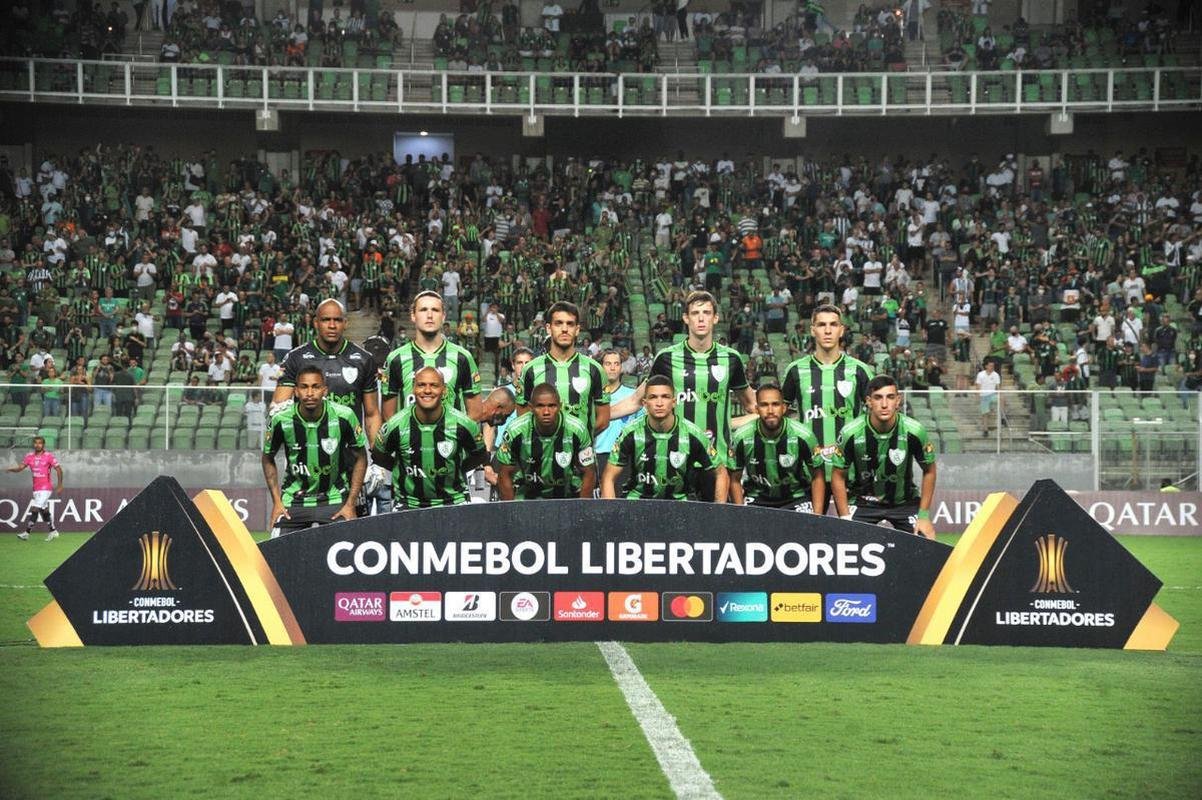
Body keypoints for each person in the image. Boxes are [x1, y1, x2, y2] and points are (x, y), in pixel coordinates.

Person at [608, 290, 754, 500]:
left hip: (716, 462)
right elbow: (636, 401)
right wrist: (595, 419)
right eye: (695, 313)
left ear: (715, 318)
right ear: (686, 318)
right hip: (675, 459)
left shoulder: (731, 359)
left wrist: (781, 410)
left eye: (706, 312)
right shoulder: (667, 358)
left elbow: (752, 405)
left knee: (713, 529)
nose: (701, 318)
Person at [779, 304, 875, 513]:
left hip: (851, 470)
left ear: (842, 330)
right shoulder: (796, 370)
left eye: (833, 325)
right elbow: (777, 415)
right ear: (812, 330)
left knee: (852, 536)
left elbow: (875, 416)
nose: (828, 330)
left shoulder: (859, 370)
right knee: (810, 537)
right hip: (810, 470)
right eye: (822, 325)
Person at [261, 365, 367, 538]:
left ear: (324, 390)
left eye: (315, 387)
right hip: (293, 501)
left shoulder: (344, 416)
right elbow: (267, 458)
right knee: (275, 554)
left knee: (349, 550)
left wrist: (350, 503)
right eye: (304, 387)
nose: (309, 393)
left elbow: (361, 458)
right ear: (296, 391)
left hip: (334, 498)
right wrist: (277, 502)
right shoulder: (280, 419)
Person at [831, 375, 937, 538]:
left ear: (898, 401)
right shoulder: (850, 433)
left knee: (926, 540)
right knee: (846, 542)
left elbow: (929, 470)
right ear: (868, 401)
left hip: (904, 503)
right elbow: (837, 476)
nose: (885, 404)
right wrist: (845, 517)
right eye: (878, 398)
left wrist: (923, 516)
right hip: (862, 503)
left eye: (890, 397)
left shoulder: (915, 431)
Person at [372, 366, 487, 509]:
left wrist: (455, 469)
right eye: (421, 385)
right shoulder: (395, 425)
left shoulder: (464, 424)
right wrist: (402, 468)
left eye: (434, 385)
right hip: (408, 504)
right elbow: (378, 455)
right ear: (413, 388)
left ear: (444, 390)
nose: (427, 390)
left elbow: (480, 455)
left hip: (454, 502)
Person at [601, 374, 727, 501]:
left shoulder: (693, 434)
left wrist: (720, 514)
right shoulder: (630, 433)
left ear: (674, 402)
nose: (659, 403)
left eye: (665, 397)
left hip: (681, 506)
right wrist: (611, 514)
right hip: (637, 505)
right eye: (653, 397)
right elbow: (608, 477)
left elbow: (721, 473)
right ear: (645, 403)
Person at [273, 298, 382, 445]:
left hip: (350, 456)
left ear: (345, 323)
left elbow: (372, 414)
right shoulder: (295, 358)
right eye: (326, 320)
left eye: (337, 320)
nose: (332, 325)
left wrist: (377, 460)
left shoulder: (364, 360)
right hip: (305, 455)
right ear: (316, 323)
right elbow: (279, 407)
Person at [381, 290, 482, 421]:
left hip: (451, 441)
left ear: (443, 316)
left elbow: (475, 414)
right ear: (413, 315)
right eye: (423, 310)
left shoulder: (462, 357)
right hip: (409, 441)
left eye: (435, 310)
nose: (429, 315)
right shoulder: (396, 358)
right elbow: (389, 418)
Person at [728, 383, 826, 512]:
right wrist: (739, 513)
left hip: (796, 499)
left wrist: (817, 516)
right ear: (757, 409)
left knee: (806, 530)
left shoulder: (804, 436)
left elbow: (818, 476)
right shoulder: (741, 437)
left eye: (775, 404)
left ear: (784, 408)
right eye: (764, 405)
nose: (770, 410)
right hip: (756, 498)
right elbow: (734, 479)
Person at [517, 301, 610, 436]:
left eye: (570, 324)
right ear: (548, 328)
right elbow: (522, 415)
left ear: (577, 329)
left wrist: (578, 440)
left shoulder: (594, 369)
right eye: (558, 323)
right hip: (541, 455)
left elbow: (603, 419)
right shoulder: (530, 369)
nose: (564, 329)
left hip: (581, 455)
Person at [496, 383, 597, 500]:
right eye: (540, 406)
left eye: (552, 406)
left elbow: (589, 472)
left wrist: (582, 510)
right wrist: (511, 513)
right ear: (531, 407)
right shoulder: (515, 431)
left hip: (567, 497)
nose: (546, 412)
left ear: (560, 406)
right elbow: (504, 474)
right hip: (527, 497)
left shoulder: (577, 429)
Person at [7, 435, 63, 541]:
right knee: (44, 510)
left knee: (35, 509)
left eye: (40, 443)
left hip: (46, 488)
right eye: (36, 443)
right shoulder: (29, 457)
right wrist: (11, 469)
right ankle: (53, 531)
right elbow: (20, 468)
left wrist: (60, 485)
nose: (38, 445)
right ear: (33, 444)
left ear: (43, 444)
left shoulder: (49, 456)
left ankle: (27, 533)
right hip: (36, 489)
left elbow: (59, 470)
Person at [975, 359, 1002, 433]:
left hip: (992, 395)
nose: (992, 367)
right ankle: (985, 429)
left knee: (1002, 398)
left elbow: (998, 387)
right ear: (986, 366)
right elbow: (978, 386)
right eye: (990, 366)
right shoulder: (980, 374)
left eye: (993, 366)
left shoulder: (996, 375)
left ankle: (1002, 416)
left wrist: (1000, 394)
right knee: (985, 413)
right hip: (983, 396)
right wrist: (977, 396)